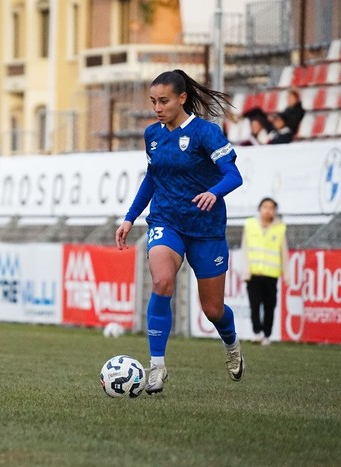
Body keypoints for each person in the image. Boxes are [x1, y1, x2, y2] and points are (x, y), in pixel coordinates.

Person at [115, 69, 245, 395]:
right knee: (161, 280)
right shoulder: (153, 135)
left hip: (206, 229)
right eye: (153, 101)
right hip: (166, 221)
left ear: (182, 98)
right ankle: (156, 366)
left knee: (213, 310)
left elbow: (234, 175)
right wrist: (130, 217)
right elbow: (152, 178)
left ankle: (231, 343)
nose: (157, 107)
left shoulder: (205, 133)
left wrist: (214, 192)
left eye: (163, 101)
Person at [241, 197, 289, 346]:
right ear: (259, 208)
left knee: (270, 306)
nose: (268, 210)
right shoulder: (249, 225)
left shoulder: (280, 228)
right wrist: (245, 271)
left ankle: (267, 335)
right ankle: (257, 332)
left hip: (271, 275)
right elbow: (244, 249)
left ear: (275, 210)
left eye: (271, 207)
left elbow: (284, 252)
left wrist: (286, 275)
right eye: (265, 207)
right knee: (254, 305)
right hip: (254, 274)